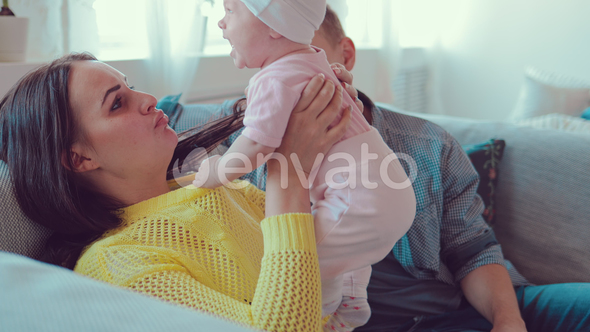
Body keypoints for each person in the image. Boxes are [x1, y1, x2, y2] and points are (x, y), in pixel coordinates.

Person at [178, 5, 590, 332]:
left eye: (305, 60)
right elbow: (162, 131)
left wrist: (508, 321)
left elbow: (475, 250)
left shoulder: (429, 145)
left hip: (445, 313)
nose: (299, 81)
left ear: (338, 58)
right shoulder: (246, 128)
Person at [0, 52, 363, 332]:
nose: (148, 98)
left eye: (131, 86)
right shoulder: (119, 265)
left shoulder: (205, 184)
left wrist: (336, 129)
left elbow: (311, 249)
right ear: (79, 158)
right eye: (117, 103)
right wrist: (288, 171)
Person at [191, 1, 416, 330]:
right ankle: (352, 304)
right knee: (337, 248)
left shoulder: (273, 80)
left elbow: (257, 144)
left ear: (273, 25)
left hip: (360, 199)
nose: (222, 23)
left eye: (231, 10)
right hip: (386, 190)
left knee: (299, 259)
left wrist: (216, 171)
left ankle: (321, 318)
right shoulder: (313, 61)